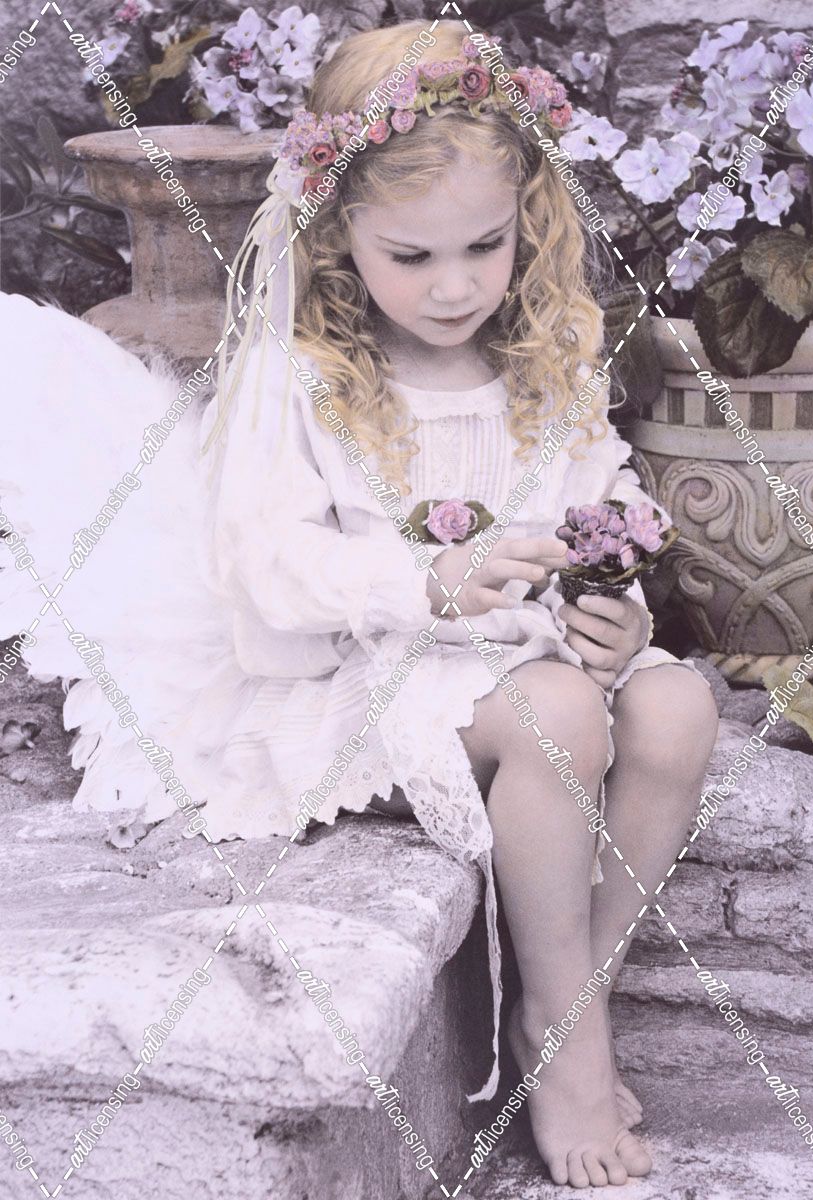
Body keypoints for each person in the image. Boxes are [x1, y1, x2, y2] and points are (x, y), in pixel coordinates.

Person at [0, 19, 719, 1190]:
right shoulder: (305, 378)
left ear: (526, 217)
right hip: (363, 668)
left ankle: (565, 997)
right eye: (413, 256)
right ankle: (571, 1044)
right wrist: (423, 582)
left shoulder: (547, 361)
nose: (456, 285)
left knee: (678, 708)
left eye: (485, 246)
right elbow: (269, 571)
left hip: (531, 651)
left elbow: (607, 512)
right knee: (557, 713)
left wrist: (619, 612)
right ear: (338, 233)